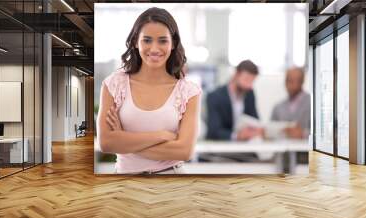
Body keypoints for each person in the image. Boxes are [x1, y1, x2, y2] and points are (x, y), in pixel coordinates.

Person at [97, 7, 201, 174]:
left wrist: (123, 138)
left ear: (173, 43)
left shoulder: (189, 92)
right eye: (147, 40)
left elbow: (185, 151)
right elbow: (106, 143)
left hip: (172, 182)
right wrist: (160, 136)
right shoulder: (114, 84)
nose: (154, 48)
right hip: (124, 183)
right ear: (135, 42)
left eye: (162, 40)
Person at [206, 60, 264, 141]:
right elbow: (213, 132)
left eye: (252, 81)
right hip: (221, 149)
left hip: (245, 148)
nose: (249, 85)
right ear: (236, 74)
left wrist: (257, 130)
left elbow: (255, 120)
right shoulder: (215, 96)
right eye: (247, 79)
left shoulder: (249, 94)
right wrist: (237, 136)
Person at [271, 67, 310, 139]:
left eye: (292, 81)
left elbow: (323, 134)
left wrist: (303, 134)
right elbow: (269, 131)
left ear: (302, 81)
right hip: (283, 148)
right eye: (287, 80)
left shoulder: (312, 104)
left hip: (305, 149)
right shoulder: (278, 107)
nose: (288, 85)